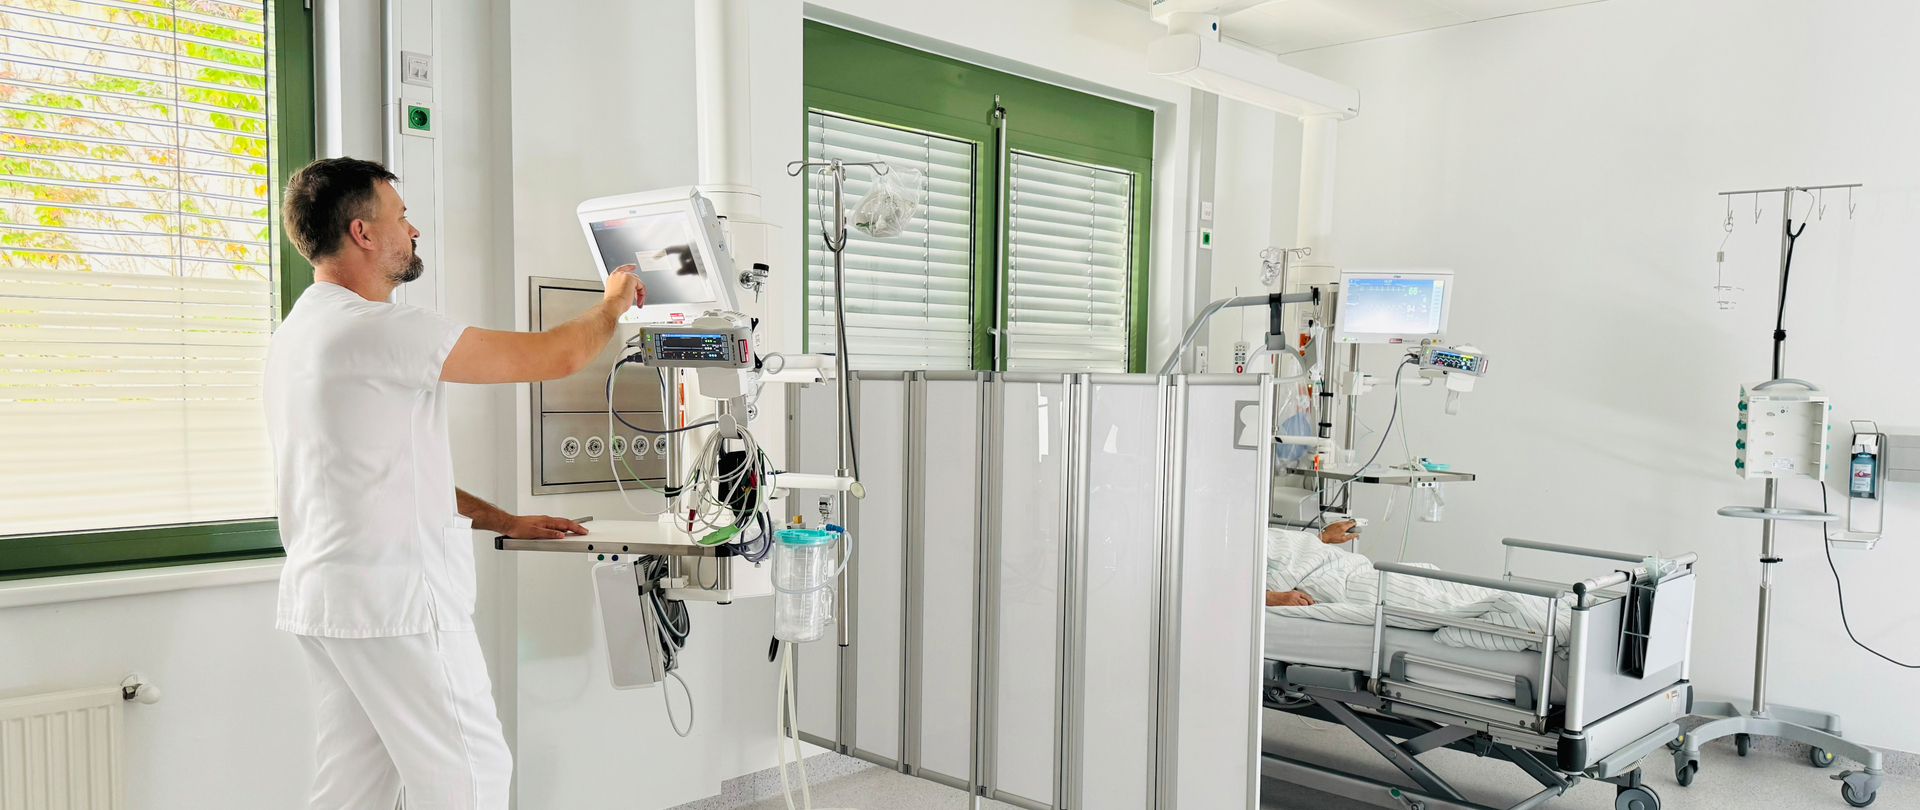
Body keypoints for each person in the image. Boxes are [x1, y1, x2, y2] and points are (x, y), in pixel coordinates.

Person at [264, 157, 643, 810]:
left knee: (353, 788)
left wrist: (505, 520)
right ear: (362, 232)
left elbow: (389, 471)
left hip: (330, 600)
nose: (413, 231)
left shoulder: (298, 334)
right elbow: (557, 356)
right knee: (472, 780)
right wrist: (613, 303)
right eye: (402, 216)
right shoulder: (378, 328)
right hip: (397, 603)